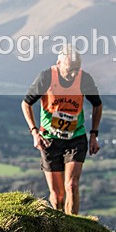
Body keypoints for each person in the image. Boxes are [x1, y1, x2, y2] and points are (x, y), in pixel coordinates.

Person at [20, 46, 102, 215]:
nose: (73, 74)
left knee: (71, 185)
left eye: (76, 69)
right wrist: (34, 132)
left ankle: (74, 227)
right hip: (49, 139)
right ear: (58, 63)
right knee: (57, 197)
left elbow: (97, 105)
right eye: (70, 69)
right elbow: (26, 103)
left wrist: (94, 134)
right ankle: (61, 226)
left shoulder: (84, 79)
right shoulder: (47, 77)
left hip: (76, 138)